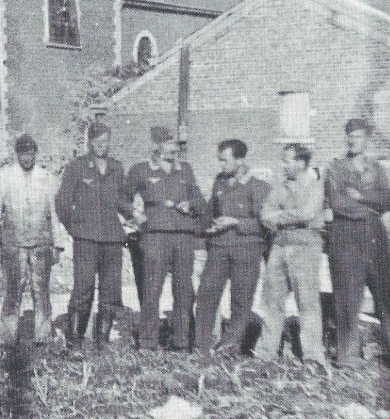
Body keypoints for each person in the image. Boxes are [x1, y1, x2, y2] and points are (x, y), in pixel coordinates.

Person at [325, 118, 390, 369]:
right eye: (350, 136)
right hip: (345, 235)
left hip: (375, 235)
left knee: (387, 293)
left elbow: (389, 200)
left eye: (359, 136)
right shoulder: (335, 169)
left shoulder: (378, 170)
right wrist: (368, 207)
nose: (353, 140)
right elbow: (337, 203)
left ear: (367, 140)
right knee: (347, 295)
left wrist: (361, 196)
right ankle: (347, 355)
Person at [123, 125, 205, 351]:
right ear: (156, 145)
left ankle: (181, 342)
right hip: (155, 236)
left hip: (183, 236)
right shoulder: (141, 169)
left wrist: (192, 204)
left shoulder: (185, 170)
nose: (174, 149)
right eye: (169, 144)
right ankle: (148, 342)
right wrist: (136, 216)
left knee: (184, 291)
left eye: (176, 145)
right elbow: (122, 198)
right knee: (151, 290)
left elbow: (199, 199)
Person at [56, 121, 134, 350]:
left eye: (105, 142)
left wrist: (133, 213)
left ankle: (102, 341)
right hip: (86, 239)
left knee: (111, 291)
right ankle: (75, 341)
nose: (102, 146)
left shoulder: (117, 168)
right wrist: (75, 228)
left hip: (112, 239)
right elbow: (62, 202)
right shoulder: (77, 167)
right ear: (90, 142)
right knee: (83, 289)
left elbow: (121, 200)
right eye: (98, 142)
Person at [195, 139, 270, 356]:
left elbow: (264, 224)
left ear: (240, 160)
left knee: (240, 300)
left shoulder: (259, 187)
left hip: (246, 249)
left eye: (225, 161)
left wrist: (236, 222)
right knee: (206, 294)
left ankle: (230, 346)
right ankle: (201, 346)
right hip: (218, 247)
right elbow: (210, 212)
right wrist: (206, 228)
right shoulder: (220, 182)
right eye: (219, 160)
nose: (221, 165)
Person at [0, 134, 64, 345]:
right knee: (13, 291)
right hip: (13, 244)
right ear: (17, 154)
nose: (27, 158)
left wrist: (57, 244)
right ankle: (8, 339)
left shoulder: (46, 177)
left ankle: (42, 336)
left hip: (40, 244)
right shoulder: (5, 176)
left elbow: (54, 212)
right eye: (23, 154)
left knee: (41, 291)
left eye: (30, 154)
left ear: (35, 154)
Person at [256, 144, 327, 366]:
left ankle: (313, 355)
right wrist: (285, 217)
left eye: (286, 160)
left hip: (305, 247)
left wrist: (280, 216)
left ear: (301, 163)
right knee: (271, 301)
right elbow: (265, 215)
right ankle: (266, 352)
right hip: (278, 247)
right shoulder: (281, 186)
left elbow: (307, 214)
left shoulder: (316, 185)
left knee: (307, 302)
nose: (282, 165)